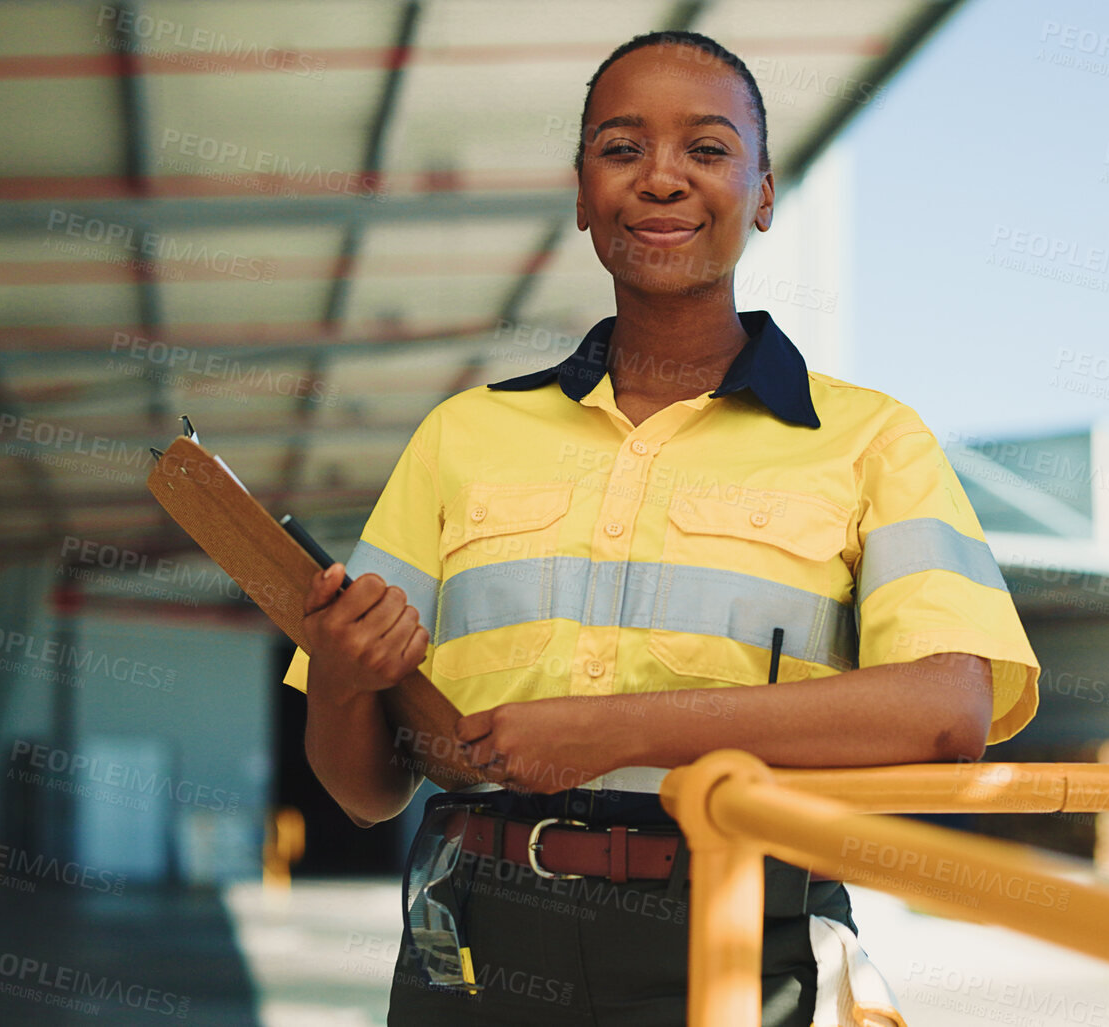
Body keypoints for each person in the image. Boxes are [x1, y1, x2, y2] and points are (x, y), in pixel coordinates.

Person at [281, 29, 1041, 1026]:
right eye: (623, 147)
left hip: (746, 925)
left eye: (709, 149)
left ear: (764, 194)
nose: (663, 180)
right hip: (477, 938)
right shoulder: (461, 436)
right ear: (583, 193)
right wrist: (342, 670)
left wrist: (620, 731)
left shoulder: (872, 441)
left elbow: (949, 707)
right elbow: (368, 789)